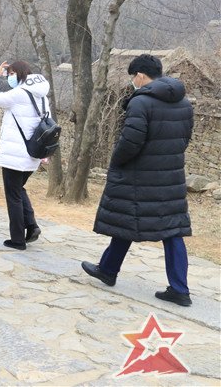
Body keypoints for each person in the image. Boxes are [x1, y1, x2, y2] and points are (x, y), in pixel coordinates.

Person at [81, 54, 194, 307]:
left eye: (133, 76)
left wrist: (116, 161)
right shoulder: (184, 103)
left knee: (129, 216)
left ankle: (108, 270)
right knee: (171, 230)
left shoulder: (141, 102)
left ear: (140, 75)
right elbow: (185, 139)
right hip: (171, 177)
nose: (133, 81)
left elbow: (130, 141)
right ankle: (178, 288)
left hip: (139, 176)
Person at [0, 60, 49, 250]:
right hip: (33, 153)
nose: (9, 77)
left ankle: (18, 239)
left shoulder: (18, 94)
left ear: (20, 74)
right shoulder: (42, 96)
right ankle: (32, 225)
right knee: (18, 189)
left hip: (15, 155)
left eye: (11, 74)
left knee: (13, 195)